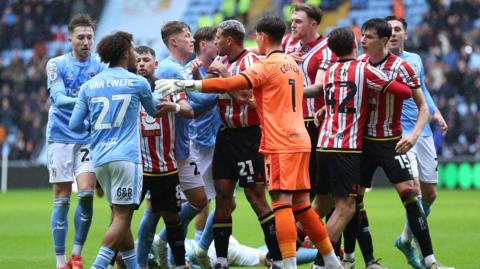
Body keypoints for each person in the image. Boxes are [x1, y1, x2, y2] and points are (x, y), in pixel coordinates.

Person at [155, 15, 342, 269]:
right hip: (299, 138)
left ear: (263, 37)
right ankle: (332, 262)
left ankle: (287, 264)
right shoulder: (290, 63)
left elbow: (233, 83)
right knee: (302, 206)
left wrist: (184, 83)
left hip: (276, 141)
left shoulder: (263, 64)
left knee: (281, 205)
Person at [342, 18, 451, 269]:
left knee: (412, 198)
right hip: (363, 144)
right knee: (353, 202)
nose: (362, 40)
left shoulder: (403, 68)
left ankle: (431, 262)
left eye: (368, 37)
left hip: (392, 142)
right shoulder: (358, 65)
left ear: (382, 40)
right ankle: (354, 260)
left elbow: (423, 107)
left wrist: (413, 135)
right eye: (362, 36)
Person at [305, 26, 414, 269]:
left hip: (323, 145)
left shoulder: (331, 70)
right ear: (354, 45)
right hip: (347, 148)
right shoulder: (365, 70)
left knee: (319, 205)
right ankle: (322, 263)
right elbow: (405, 92)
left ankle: (284, 252)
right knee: (346, 208)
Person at [191, 19, 282, 269]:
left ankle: (277, 257)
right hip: (226, 136)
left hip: (248, 137)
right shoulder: (223, 63)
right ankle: (221, 260)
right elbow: (209, 94)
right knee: (222, 198)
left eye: (218, 38)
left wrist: (224, 75)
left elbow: (247, 98)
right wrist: (197, 75)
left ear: (229, 40)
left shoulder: (251, 63)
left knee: (255, 198)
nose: (215, 42)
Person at [68, 31, 159, 269]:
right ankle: (98, 267)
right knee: (121, 218)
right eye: (132, 49)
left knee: (121, 216)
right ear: (123, 52)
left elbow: (74, 124)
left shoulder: (90, 85)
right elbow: (153, 112)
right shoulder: (138, 82)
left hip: (100, 159)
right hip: (126, 158)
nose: (135, 54)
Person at [385, 15, 449, 269]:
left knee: (430, 195)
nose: (392, 34)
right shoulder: (379, 63)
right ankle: (429, 259)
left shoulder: (415, 60)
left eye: (397, 29)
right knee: (415, 194)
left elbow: (422, 87)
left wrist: (436, 112)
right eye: (388, 30)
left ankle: (404, 239)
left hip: (422, 133)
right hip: (399, 135)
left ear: (405, 35)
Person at [45, 14, 104, 269]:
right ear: (70, 39)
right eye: (80, 37)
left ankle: (76, 256)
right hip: (60, 136)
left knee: (88, 195)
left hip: (87, 137)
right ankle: (60, 262)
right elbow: (58, 99)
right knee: (62, 197)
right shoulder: (56, 64)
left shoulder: (100, 65)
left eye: (90, 37)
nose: (86, 42)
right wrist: (88, 96)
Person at [151, 21, 208, 269]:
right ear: (174, 41)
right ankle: (143, 257)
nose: (192, 40)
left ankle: (167, 251)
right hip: (167, 151)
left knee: (198, 200)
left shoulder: (180, 68)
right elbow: (197, 106)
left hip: (182, 147)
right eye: (187, 36)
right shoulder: (170, 69)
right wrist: (224, 89)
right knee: (155, 212)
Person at [134, 45, 193, 269]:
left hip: (165, 167)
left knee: (172, 219)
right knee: (121, 216)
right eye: (138, 60)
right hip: (137, 167)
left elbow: (189, 111)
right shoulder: (131, 88)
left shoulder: (167, 86)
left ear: (155, 64)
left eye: (146, 60)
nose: (141, 64)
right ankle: (114, 262)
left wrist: (174, 106)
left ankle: (178, 264)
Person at [282, 3, 337, 197]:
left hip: (316, 122)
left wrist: (286, 92)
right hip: (292, 122)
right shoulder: (288, 44)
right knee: (296, 185)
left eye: (298, 21)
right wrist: (283, 59)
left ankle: (326, 226)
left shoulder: (327, 49)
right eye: (292, 21)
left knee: (318, 184)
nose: (293, 25)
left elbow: (319, 87)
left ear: (313, 25)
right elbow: (261, 52)